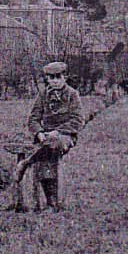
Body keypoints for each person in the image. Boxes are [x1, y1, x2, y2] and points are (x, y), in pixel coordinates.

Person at [26, 61, 84, 210]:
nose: (55, 81)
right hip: (45, 137)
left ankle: (28, 162)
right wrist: (39, 132)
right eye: (51, 78)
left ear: (65, 77)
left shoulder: (72, 94)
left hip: (65, 135)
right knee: (45, 159)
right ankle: (50, 200)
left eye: (58, 77)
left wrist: (57, 132)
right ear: (47, 79)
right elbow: (33, 119)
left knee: (53, 146)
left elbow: (77, 120)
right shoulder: (43, 95)